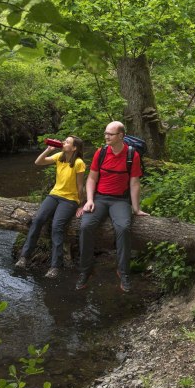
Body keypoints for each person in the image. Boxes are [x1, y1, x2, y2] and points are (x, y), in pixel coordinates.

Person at [76, 121, 149, 292]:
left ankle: (123, 272)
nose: (107, 137)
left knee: (123, 228)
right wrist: (89, 200)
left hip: (120, 201)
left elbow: (134, 183)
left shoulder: (132, 155)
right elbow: (92, 179)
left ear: (121, 136)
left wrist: (136, 209)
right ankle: (86, 271)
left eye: (110, 134)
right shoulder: (100, 153)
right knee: (85, 226)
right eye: (105, 133)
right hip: (99, 198)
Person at [15, 136, 85, 278]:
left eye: (67, 142)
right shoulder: (60, 156)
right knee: (38, 219)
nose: (63, 143)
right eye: (64, 141)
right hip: (54, 195)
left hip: (69, 200)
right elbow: (38, 162)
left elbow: (80, 186)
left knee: (56, 226)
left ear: (74, 148)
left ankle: (55, 266)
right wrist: (48, 150)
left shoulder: (79, 163)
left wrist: (81, 204)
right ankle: (24, 257)